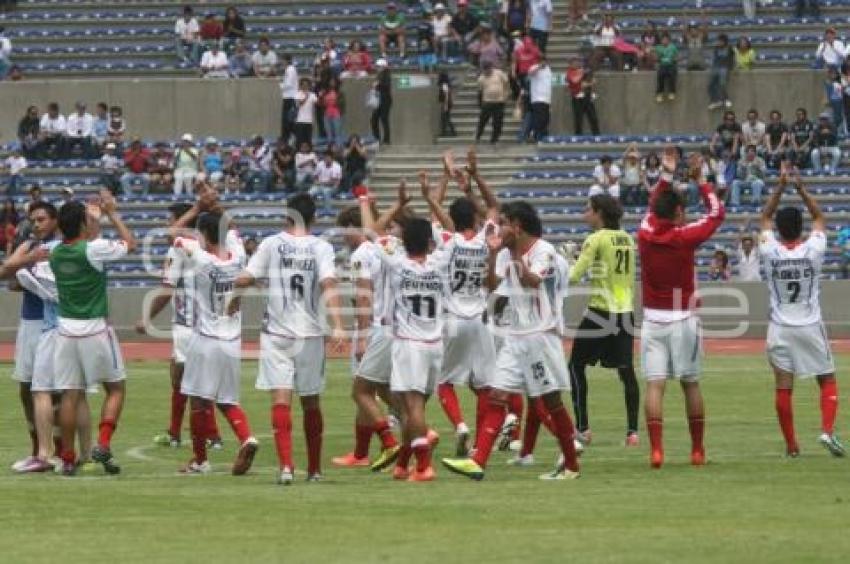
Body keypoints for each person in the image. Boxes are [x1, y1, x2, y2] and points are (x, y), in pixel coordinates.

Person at [441, 201, 581, 481]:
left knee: (552, 401)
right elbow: (493, 288)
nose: (499, 228)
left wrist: (511, 251)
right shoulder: (507, 252)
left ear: (517, 226)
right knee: (497, 395)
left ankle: (571, 464)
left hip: (540, 337)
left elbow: (532, 280)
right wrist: (493, 255)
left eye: (504, 223)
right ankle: (478, 461)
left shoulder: (545, 251)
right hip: (516, 337)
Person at [235, 193, 344, 484]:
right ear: (314, 218)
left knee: (281, 398)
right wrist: (338, 325)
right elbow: (329, 283)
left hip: (277, 334)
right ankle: (315, 470)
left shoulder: (271, 244)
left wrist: (237, 296)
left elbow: (244, 278)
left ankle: (286, 467)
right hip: (310, 333)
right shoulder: (322, 247)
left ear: (287, 215)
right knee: (311, 401)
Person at [638, 148, 725, 469]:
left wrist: (666, 174)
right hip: (683, 319)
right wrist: (702, 182)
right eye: (682, 211)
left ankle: (657, 450)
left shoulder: (645, 233)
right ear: (675, 213)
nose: (685, 215)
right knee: (690, 383)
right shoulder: (684, 237)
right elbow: (717, 214)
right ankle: (697, 449)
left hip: (652, 320)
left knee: (655, 384)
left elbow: (652, 206)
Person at [360, 182, 451, 482]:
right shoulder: (439, 262)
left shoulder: (397, 262)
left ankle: (424, 466)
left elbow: (372, 229)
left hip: (409, 343)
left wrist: (399, 205)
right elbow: (450, 229)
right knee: (417, 407)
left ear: (404, 241)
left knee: (411, 407)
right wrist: (430, 200)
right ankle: (402, 465)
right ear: (429, 243)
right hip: (435, 344)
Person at [50, 191, 137, 475]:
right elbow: (130, 244)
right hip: (95, 329)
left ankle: (66, 457)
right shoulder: (92, 249)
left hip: (65, 331)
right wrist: (111, 214)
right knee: (115, 388)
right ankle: (103, 442)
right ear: (83, 225)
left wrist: (91, 222)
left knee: (70, 396)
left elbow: (87, 243)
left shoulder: (55, 252)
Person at [759, 167, 843, 458]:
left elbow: (765, 217)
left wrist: (780, 187)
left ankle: (792, 445)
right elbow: (820, 217)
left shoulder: (770, 251)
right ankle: (827, 431)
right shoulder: (813, 250)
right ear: (800, 227)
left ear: (779, 230)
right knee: (827, 378)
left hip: (780, 327)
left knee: (783, 387)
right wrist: (801, 188)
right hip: (809, 324)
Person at [167, 212, 259, 475]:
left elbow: (174, 237)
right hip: (232, 340)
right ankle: (247, 437)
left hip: (205, 339)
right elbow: (232, 230)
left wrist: (191, 234)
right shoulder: (238, 255)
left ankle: (200, 460)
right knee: (227, 399)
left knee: (198, 400)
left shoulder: (200, 259)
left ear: (203, 234)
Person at [137, 200, 226, 449]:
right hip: (212, 323)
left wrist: (147, 318)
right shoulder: (215, 249)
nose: (168, 225)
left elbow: (167, 290)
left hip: (188, 324)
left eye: (172, 219)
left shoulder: (180, 250)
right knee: (191, 379)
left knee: (186, 380)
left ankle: (210, 435)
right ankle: (178, 433)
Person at [331, 205, 401, 470]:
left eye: (344, 230)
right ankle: (361, 452)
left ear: (353, 227)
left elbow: (363, 297)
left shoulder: (361, 254)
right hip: (393, 326)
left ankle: (406, 435)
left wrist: (360, 336)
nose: (342, 237)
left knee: (362, 390)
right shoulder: (386, 247)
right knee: (374, 390)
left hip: (372, 328)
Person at [568, 194, 639, 448]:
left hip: (600, 310)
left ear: (599, 213)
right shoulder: (629, 239)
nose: (584, 214)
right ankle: (632, 432)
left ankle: (583, 428)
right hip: (626, 311)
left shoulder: (595, 239)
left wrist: (567, 262)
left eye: (588, 210)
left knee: (575, 366)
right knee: (626, 371)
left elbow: (574, 277)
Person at [476, 60, 509, 144]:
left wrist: (505, 95)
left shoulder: (499, 73)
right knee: (483, 121)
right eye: (485, 69)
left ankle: (494, 139)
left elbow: (506, 83)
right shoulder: (481, 78)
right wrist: (480, 103)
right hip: (487, 102)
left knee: (497, 122)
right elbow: (480, 91)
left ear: (491, 67)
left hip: (499, 101)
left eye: (488, 68)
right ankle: (478, 136)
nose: (487, 71)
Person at [567, 58, 600, 136]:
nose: (577, 64)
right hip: (577, 98)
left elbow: (589, 82)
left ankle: (597, 135)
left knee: (593, 117)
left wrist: (591, 84)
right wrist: (583, 74)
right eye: (574, 63)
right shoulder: (570, 73)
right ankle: (578, 136)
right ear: (571, 64)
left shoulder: (583, 71)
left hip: (587, 97)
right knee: (578, 119)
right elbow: (575, 80)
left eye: (577, 62)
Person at [527, 57, 552, 142]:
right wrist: (539, 67)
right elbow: (530, 73)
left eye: (545, 61)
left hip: (547, 99)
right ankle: (534, 135)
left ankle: (542, 136)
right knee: (539, 118)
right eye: (542, 61)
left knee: (545, 119)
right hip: (537, 98)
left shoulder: (548, 70)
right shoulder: (534, 67)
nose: (544, 63)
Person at [707, 34, 734, 110]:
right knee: (711, 85)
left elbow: (731, 59)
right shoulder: (716, 49)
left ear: (725, 42)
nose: (719, 42)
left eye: (720, 41)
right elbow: (714, 59)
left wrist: (731, 68)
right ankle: (715, 101)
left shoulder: (729, 49)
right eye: (718, 41)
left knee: (722, 84)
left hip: (724, 68)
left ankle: (726, 99)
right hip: (716, 68)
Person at [372, 59, 393, 145]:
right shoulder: (379, 75)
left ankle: (386, 140)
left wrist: (378, 85)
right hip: (379, 99)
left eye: (378, 66)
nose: (377, 68)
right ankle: (377, 138)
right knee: (374, 119)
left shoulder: (386, 75)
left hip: (385, 100)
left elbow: (386, 86)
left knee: (384, 119)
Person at [280, 54, 299, 143]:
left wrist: (281, 85)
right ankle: (287, 138)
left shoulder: (290, 69)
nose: (281, 62)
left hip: (290, 98)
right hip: (287, 97)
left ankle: (292, 137)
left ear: (287, 60)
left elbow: (289, 84)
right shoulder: (288, 70)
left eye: (283, 60)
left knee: (289, 121)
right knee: (286, 121)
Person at [654, 32, 678, 103]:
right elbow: (655, 57)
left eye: (666, 40)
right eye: (663, 40)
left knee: (672, 74)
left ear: (669, 40)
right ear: (661, 41)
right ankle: (659, 93)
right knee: (661, 75)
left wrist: (675, 59)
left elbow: (677, 56)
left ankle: (672, 92)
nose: (664, 41)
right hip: (662, 65)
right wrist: (658, 57)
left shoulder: (673, 47)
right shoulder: (658, 47)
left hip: (671, 65)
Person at [321, 77, 344, 147]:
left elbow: (342, 103)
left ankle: (339, 147)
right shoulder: (325, 92)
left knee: (337, 133)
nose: (332, 83)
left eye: (333, 82)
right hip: (327, 113)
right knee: (329, 133)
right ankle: (330, 148)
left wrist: (337, 103)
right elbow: (322, 103)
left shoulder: (339, 92)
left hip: (336, 113)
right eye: (331, 82)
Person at [438, 72, 457, 137]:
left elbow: (446, 96)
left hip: (446, 104)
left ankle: (452, 132)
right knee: (444, 119)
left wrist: (445, 106)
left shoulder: (444, 85)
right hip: (447, 104)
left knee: (446, 118)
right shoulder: (445, 85)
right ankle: (446, 132)